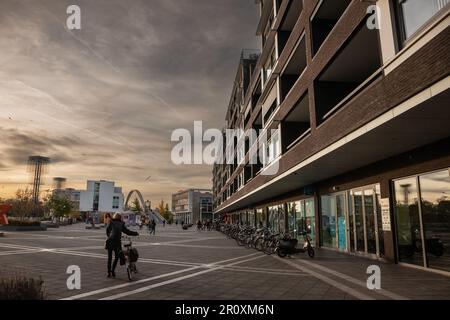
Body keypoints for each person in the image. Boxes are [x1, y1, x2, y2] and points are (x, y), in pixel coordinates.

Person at [105, 213, 139, 278]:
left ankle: (108, 272)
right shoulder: (121, 224)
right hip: (117, 243)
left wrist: (109, 236)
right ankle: (113, 271)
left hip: (110, 242)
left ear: (114, 217)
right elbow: (127, 231)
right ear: (120, 218)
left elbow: (107, 231)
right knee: (116, 257)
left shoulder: (111, 222)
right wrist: (135, 233)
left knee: (109, 258)